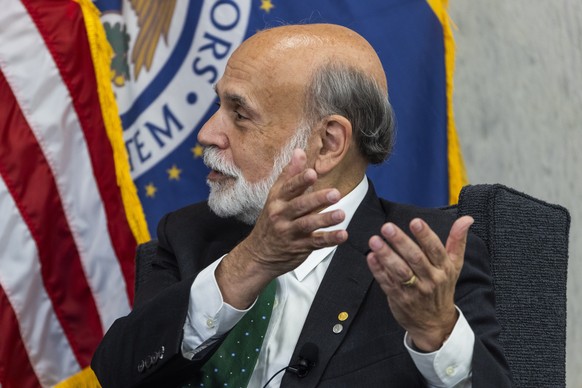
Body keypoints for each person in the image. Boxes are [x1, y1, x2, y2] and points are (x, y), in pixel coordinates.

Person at [91, 23, 511, 387]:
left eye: (240, 114)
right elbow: (118, 374)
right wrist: (250, 262)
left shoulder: (424, 258)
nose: (207, 133)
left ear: (328, 143)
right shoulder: (188, 235)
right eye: (219, 105)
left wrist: (437, 333)